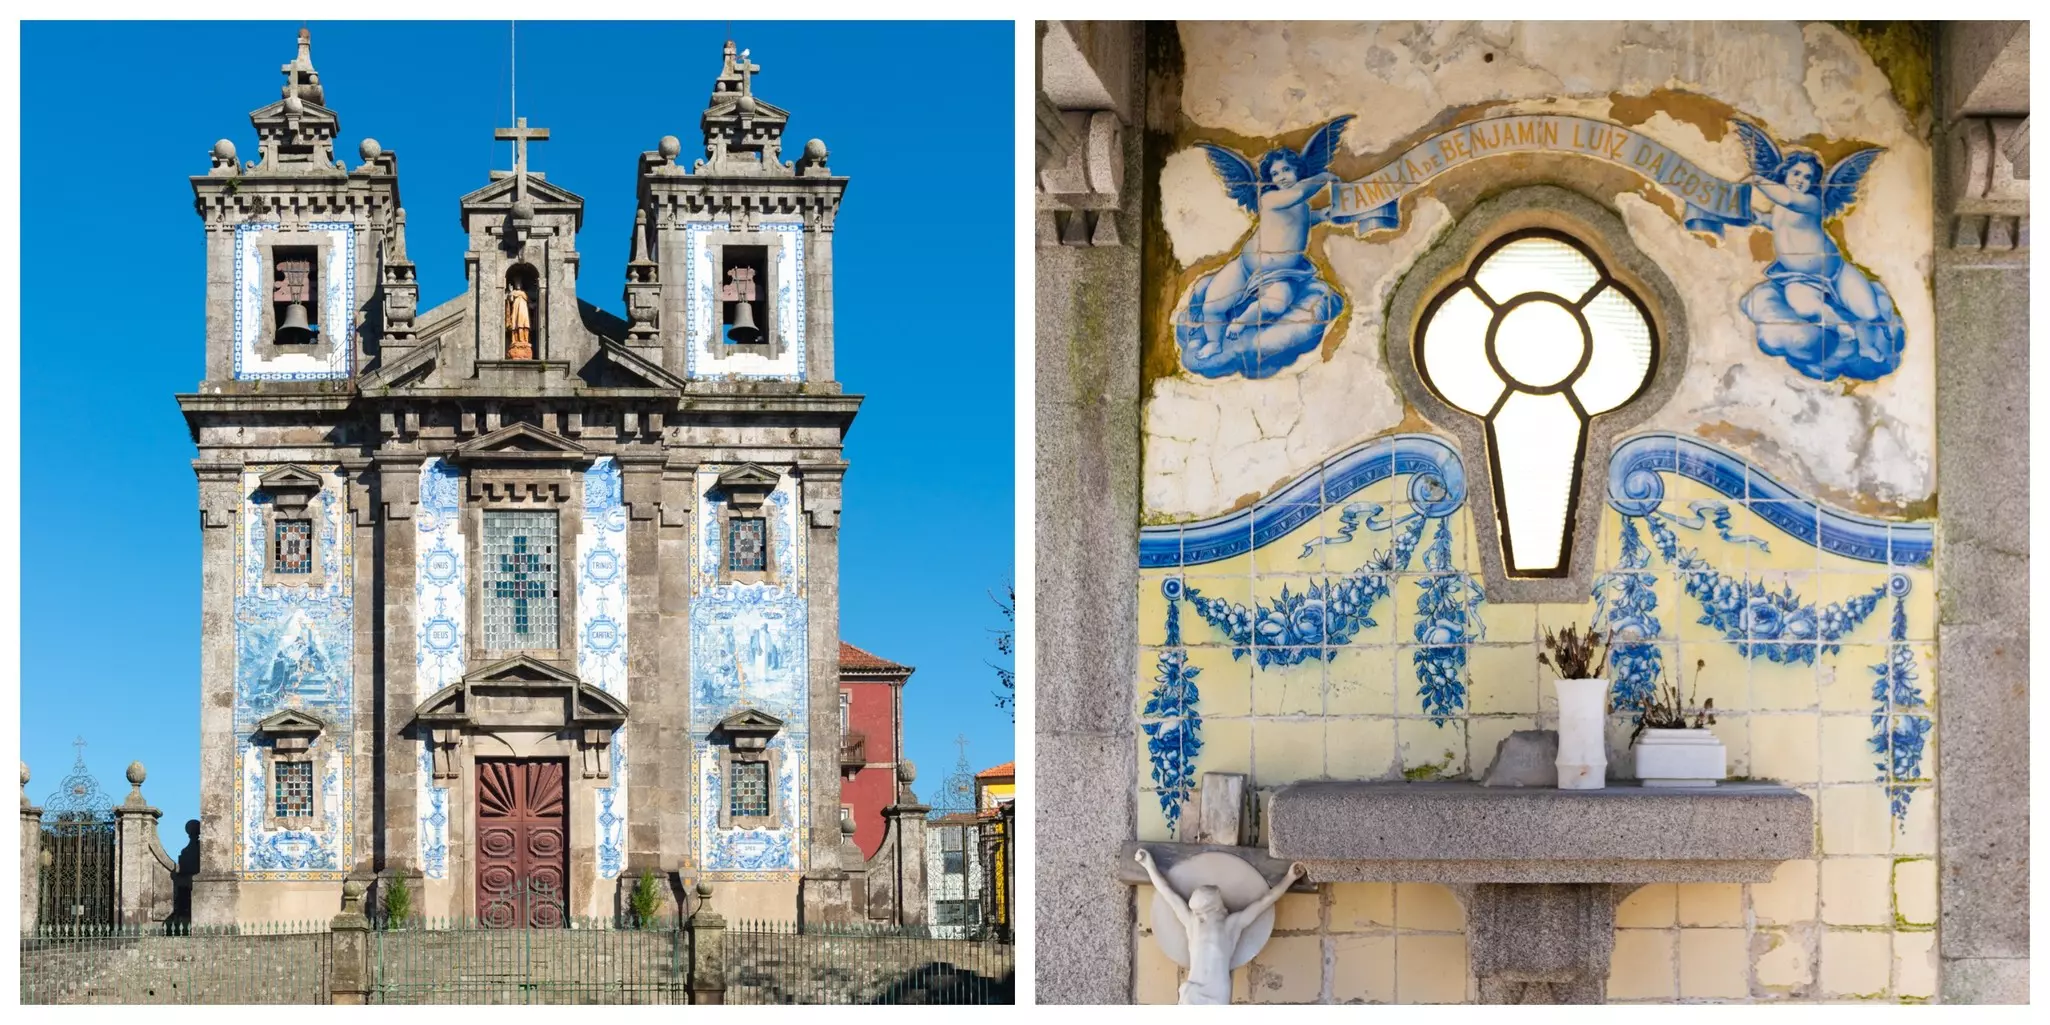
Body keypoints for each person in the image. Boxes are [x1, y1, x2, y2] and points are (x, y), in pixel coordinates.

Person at [1134, 847, 1307, 1004]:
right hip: (1193, 991)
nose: (1198, 915)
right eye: (1197, 912)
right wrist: (1148, 865)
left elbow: (1264, 902)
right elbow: (1167, 893)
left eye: (1200, 911)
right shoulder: (1193, 923)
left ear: (1215, 907)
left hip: (1217, 994)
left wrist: (1289, 878)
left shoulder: (1232, 925)